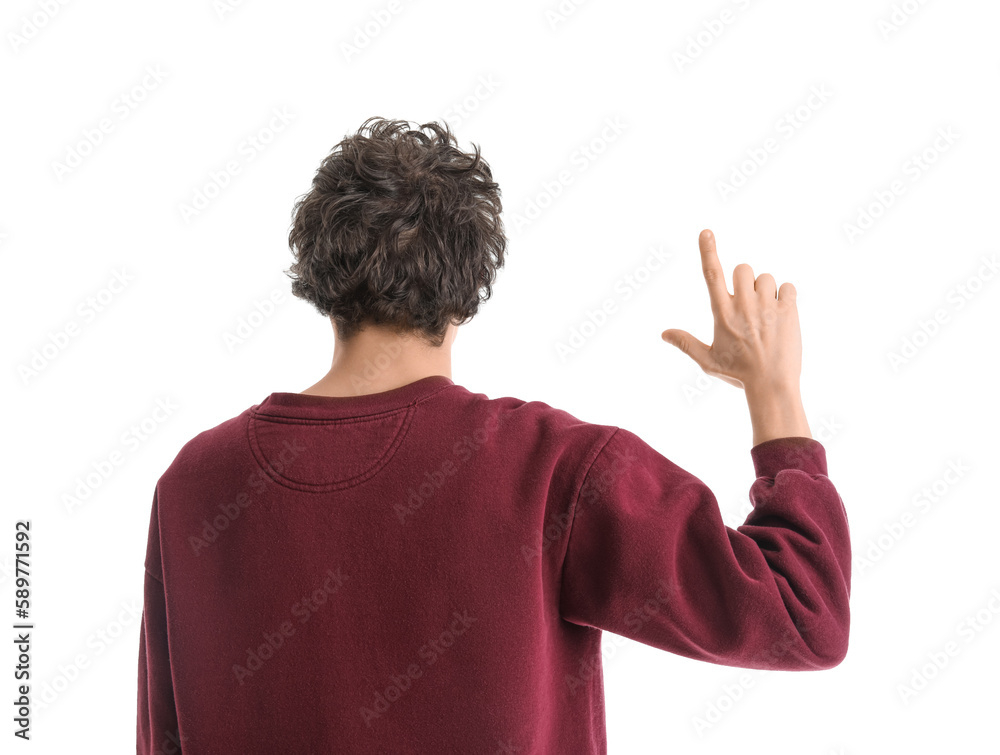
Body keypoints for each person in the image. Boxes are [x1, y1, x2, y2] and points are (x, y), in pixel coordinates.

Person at [137, 117, 850, 754]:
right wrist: (774, 390)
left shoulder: (196, 485)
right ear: (468, 290)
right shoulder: (550, 469)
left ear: (321, 273)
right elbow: (803, 612)